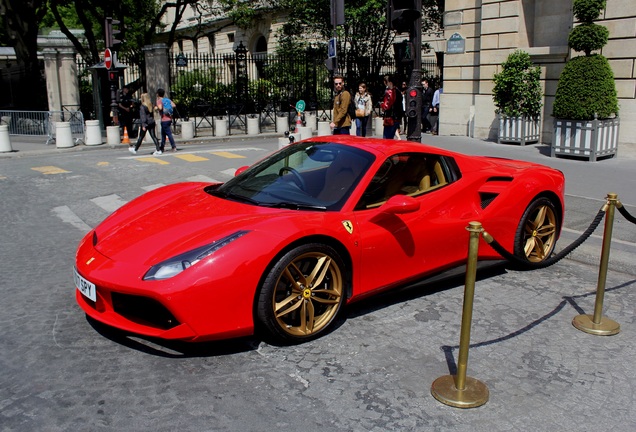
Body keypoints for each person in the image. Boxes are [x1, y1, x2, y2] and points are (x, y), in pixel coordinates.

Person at [379, 74, 402, 139]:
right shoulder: (397, 91)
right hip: (396, 117)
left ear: (389, 82)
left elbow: (386, 106)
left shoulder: (390, 92)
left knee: (387, 138)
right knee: (390, 136)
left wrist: (382, 104)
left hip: (391, 117)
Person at [156, 88, 178, 152]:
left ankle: (173, 146)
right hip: (169, 118)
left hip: (164, 119)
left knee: (168, 133)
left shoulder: (159, 101)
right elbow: (174, 105)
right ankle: (162, 147)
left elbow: (160, 108)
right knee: (163, 134)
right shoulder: (167, 100)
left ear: (158, 94)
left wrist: (156, 108)